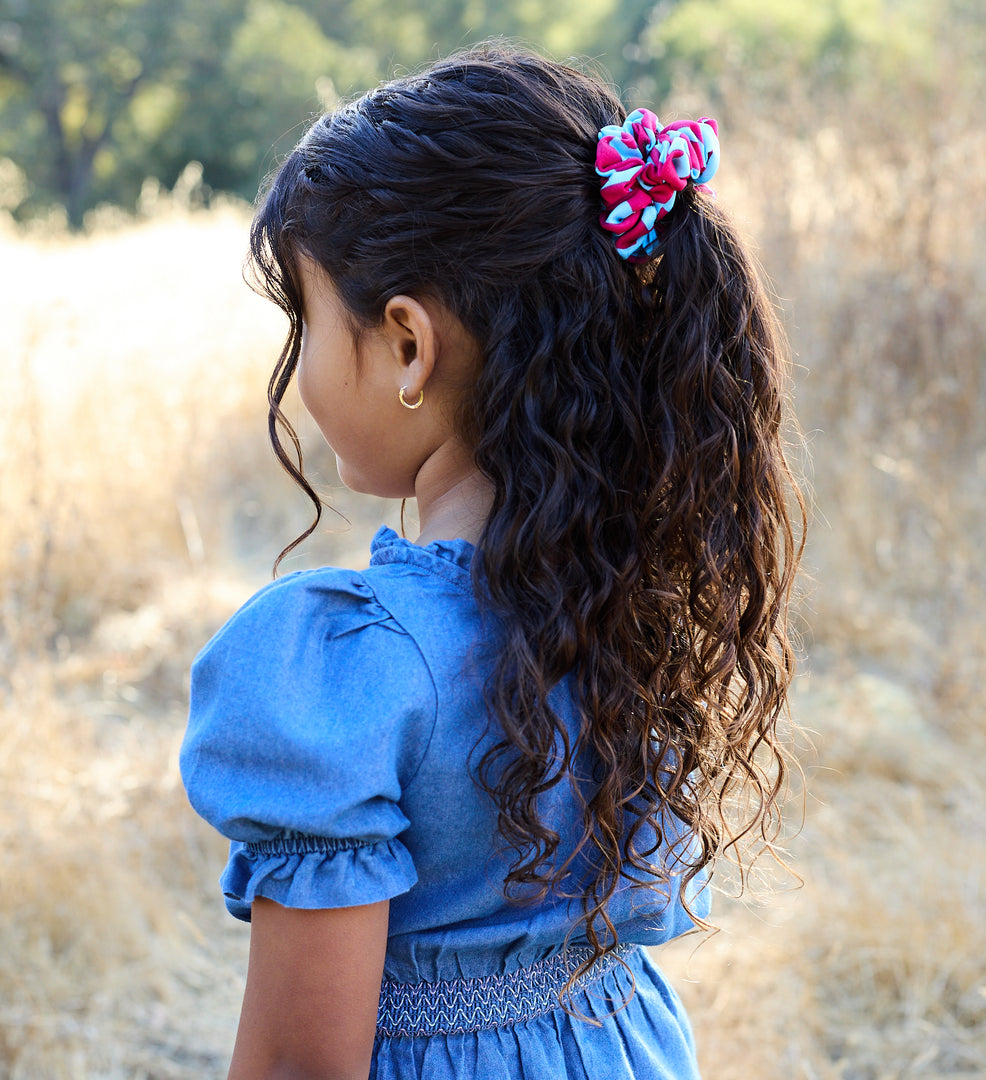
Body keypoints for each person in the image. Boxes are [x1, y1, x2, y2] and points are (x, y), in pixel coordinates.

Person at [180, 43, 804, 1080]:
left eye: (308, 318)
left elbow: (303, 1068)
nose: (297, 368)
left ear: (408, 346)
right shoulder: (623, 598)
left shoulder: (344, 669)